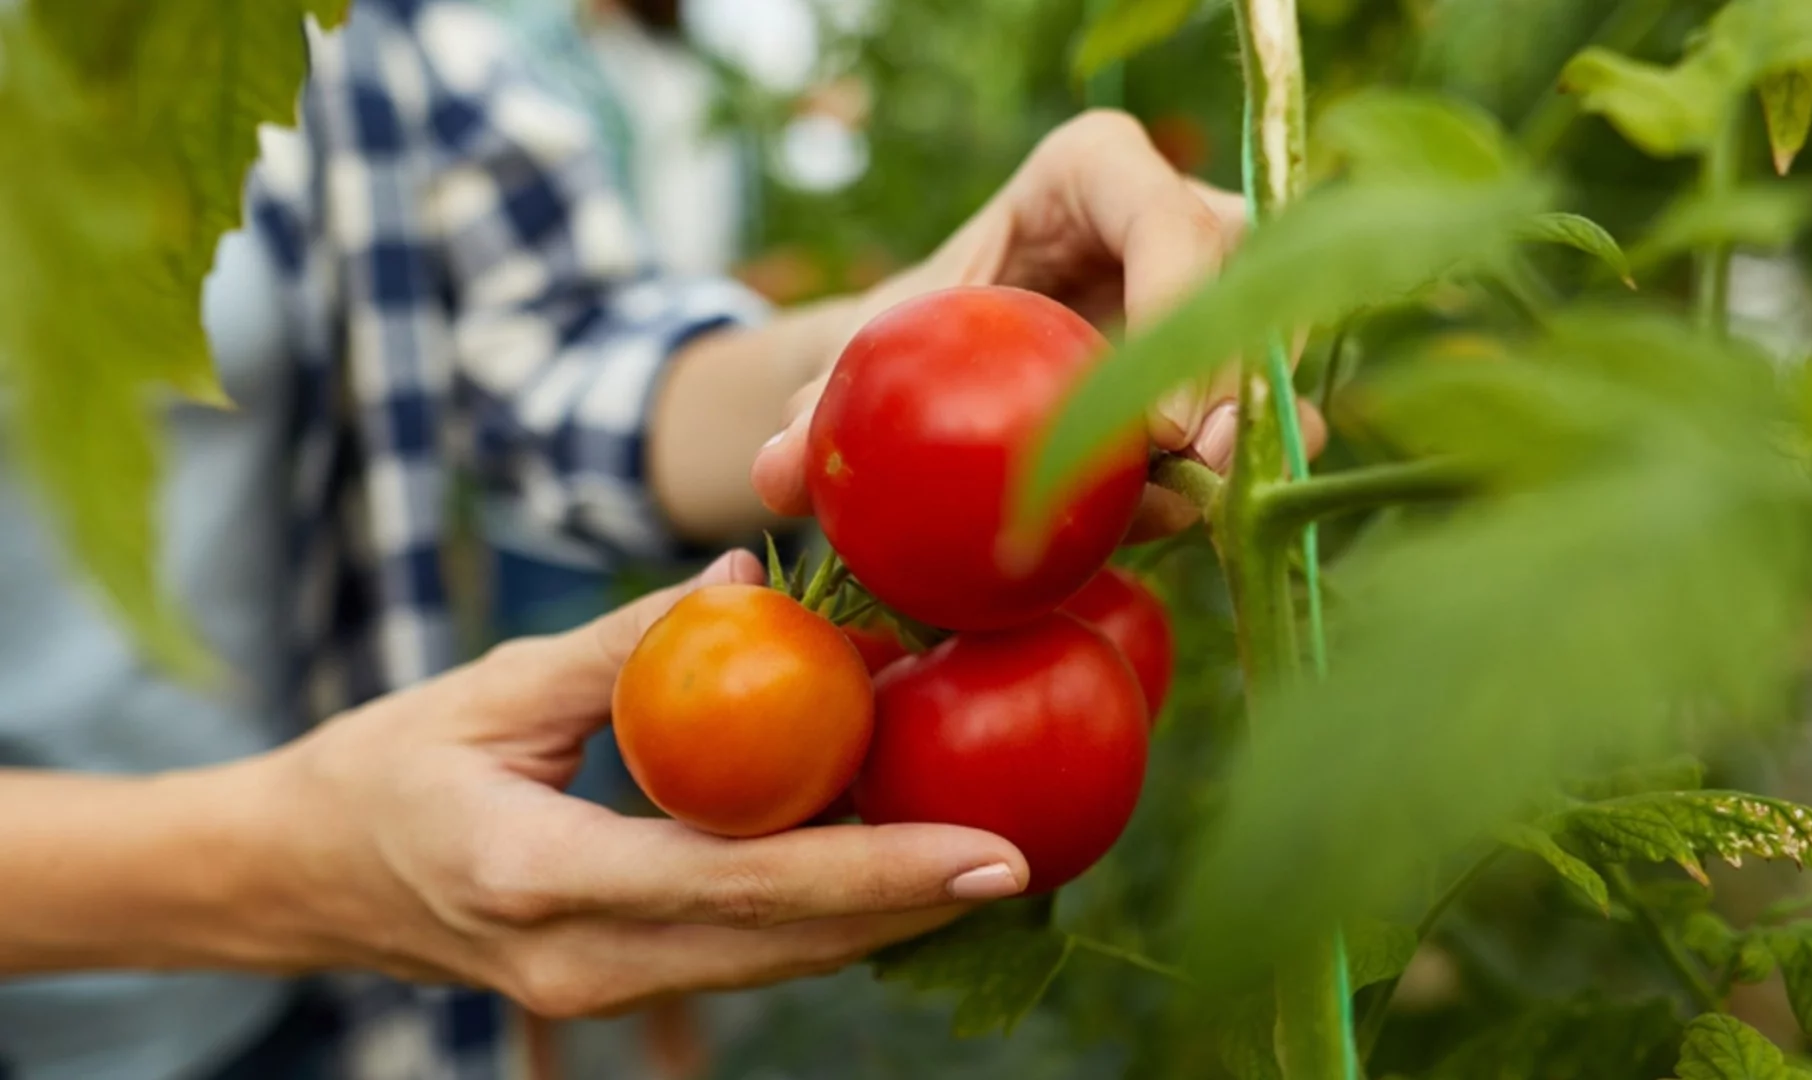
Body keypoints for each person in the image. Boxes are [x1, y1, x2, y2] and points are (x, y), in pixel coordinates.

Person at [0, 1, 1311, 1078]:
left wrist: (938, 339)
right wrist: (283, 865)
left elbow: (571, 360)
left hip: (311, 1027)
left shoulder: (367, 42)